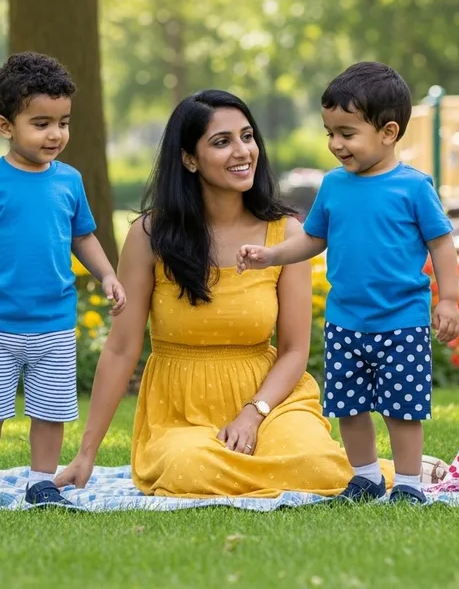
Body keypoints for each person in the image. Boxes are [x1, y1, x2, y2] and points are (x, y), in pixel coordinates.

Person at [55, 89, 398, 497]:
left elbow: (293, 350)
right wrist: (85, 454)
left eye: (247, 136)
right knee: (189, 470)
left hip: (271, 401)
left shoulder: (286, 235)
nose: (242, 151)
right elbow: (121, 348)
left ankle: (385, 472)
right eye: (222, 142)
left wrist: (253, 414)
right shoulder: (150, 235)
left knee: (311, 462)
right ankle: (338, 472)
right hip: (181, 413)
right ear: (189, 158)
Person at [237, 62, 459, 504]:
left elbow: (443, 244)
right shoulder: (333, 186)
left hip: (402, 322)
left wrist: (449, 299)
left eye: (346, 133)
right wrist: (271, 256)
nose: (336, 144)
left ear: (389, 132)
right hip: (346, 322)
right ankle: (365, 477)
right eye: (329, 133)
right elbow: (313, 238)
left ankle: (410, 485)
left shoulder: (413, 188)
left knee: (402, 411)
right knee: (350, 406)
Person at [0, 52, 126, 507]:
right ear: (6, 126)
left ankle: (41, 480)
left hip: (54, 322)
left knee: (51, 411)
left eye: (63, 122)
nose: (56, 134)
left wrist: (107, 273)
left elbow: (83, 237)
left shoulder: (69, 180)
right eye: (41, 123)